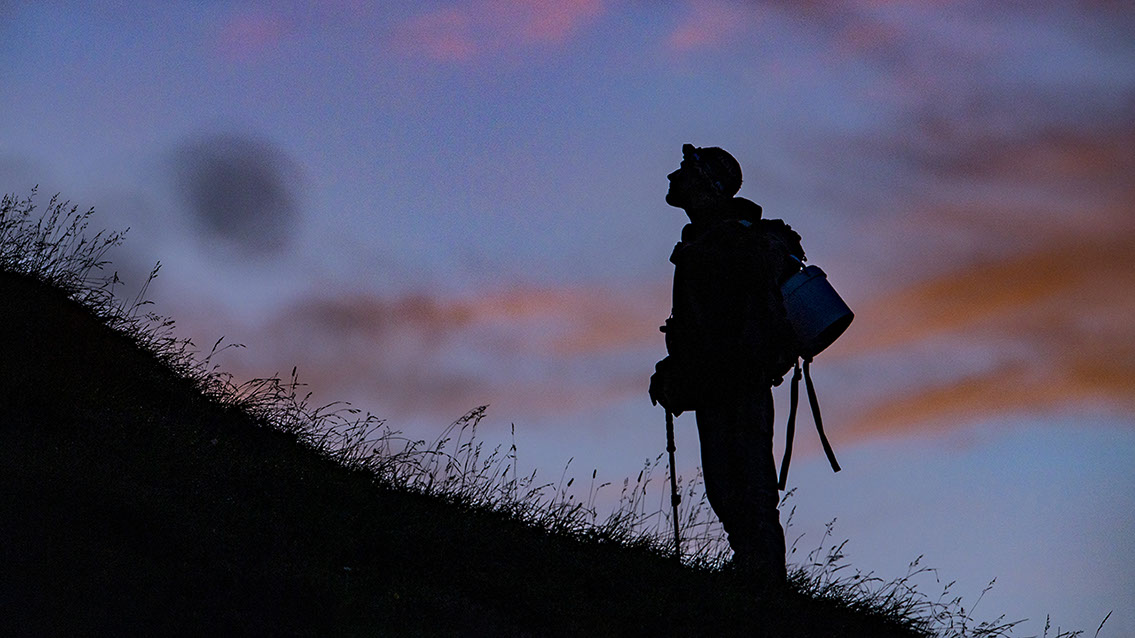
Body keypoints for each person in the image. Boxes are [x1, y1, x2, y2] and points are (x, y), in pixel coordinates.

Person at [649, 144, 804, 588]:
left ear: (707, 185)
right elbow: (704, 325)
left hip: (738, 381)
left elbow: (721, 325)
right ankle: (755, 578)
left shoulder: (727, 240)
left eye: (684, 171)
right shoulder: (708, 239)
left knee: (747, 488)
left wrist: (684, 368)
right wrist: (676, 369)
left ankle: (766, 588)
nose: (672, 177)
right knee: (727, 488)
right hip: (722, 381)